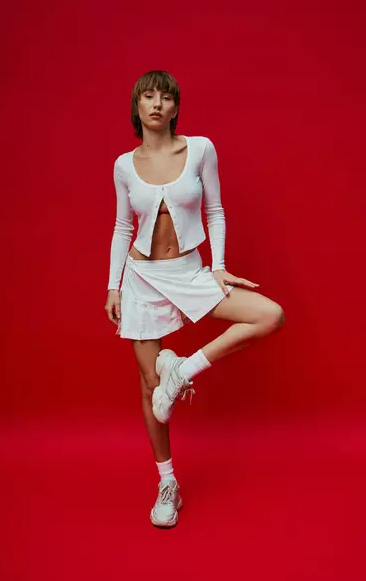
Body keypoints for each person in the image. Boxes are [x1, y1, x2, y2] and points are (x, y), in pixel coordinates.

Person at [105, 70, 285, 528]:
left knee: (269, 315)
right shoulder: (125, 165)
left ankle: (182, 368)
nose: (157, 104)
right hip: (141, 275)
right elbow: (123, 227)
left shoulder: (200, 149)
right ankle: (168, 483)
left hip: (188, 270)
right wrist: (112, 286)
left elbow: (216, 209)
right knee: (151, 388)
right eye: (149, 96)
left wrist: (219, 266)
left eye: (165, 97)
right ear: (138, 106)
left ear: (175, 107)